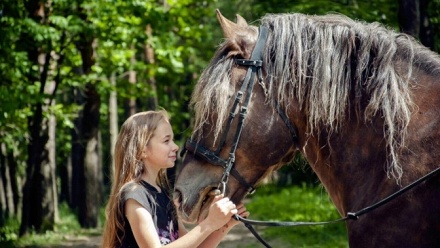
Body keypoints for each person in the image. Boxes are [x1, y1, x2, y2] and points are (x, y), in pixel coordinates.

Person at [102, 110, 249, 248]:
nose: (176, 147)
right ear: (142, 150)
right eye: (166, 141)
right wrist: (209, 224)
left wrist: (223, 226)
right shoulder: (135, 195)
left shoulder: (163, 195)